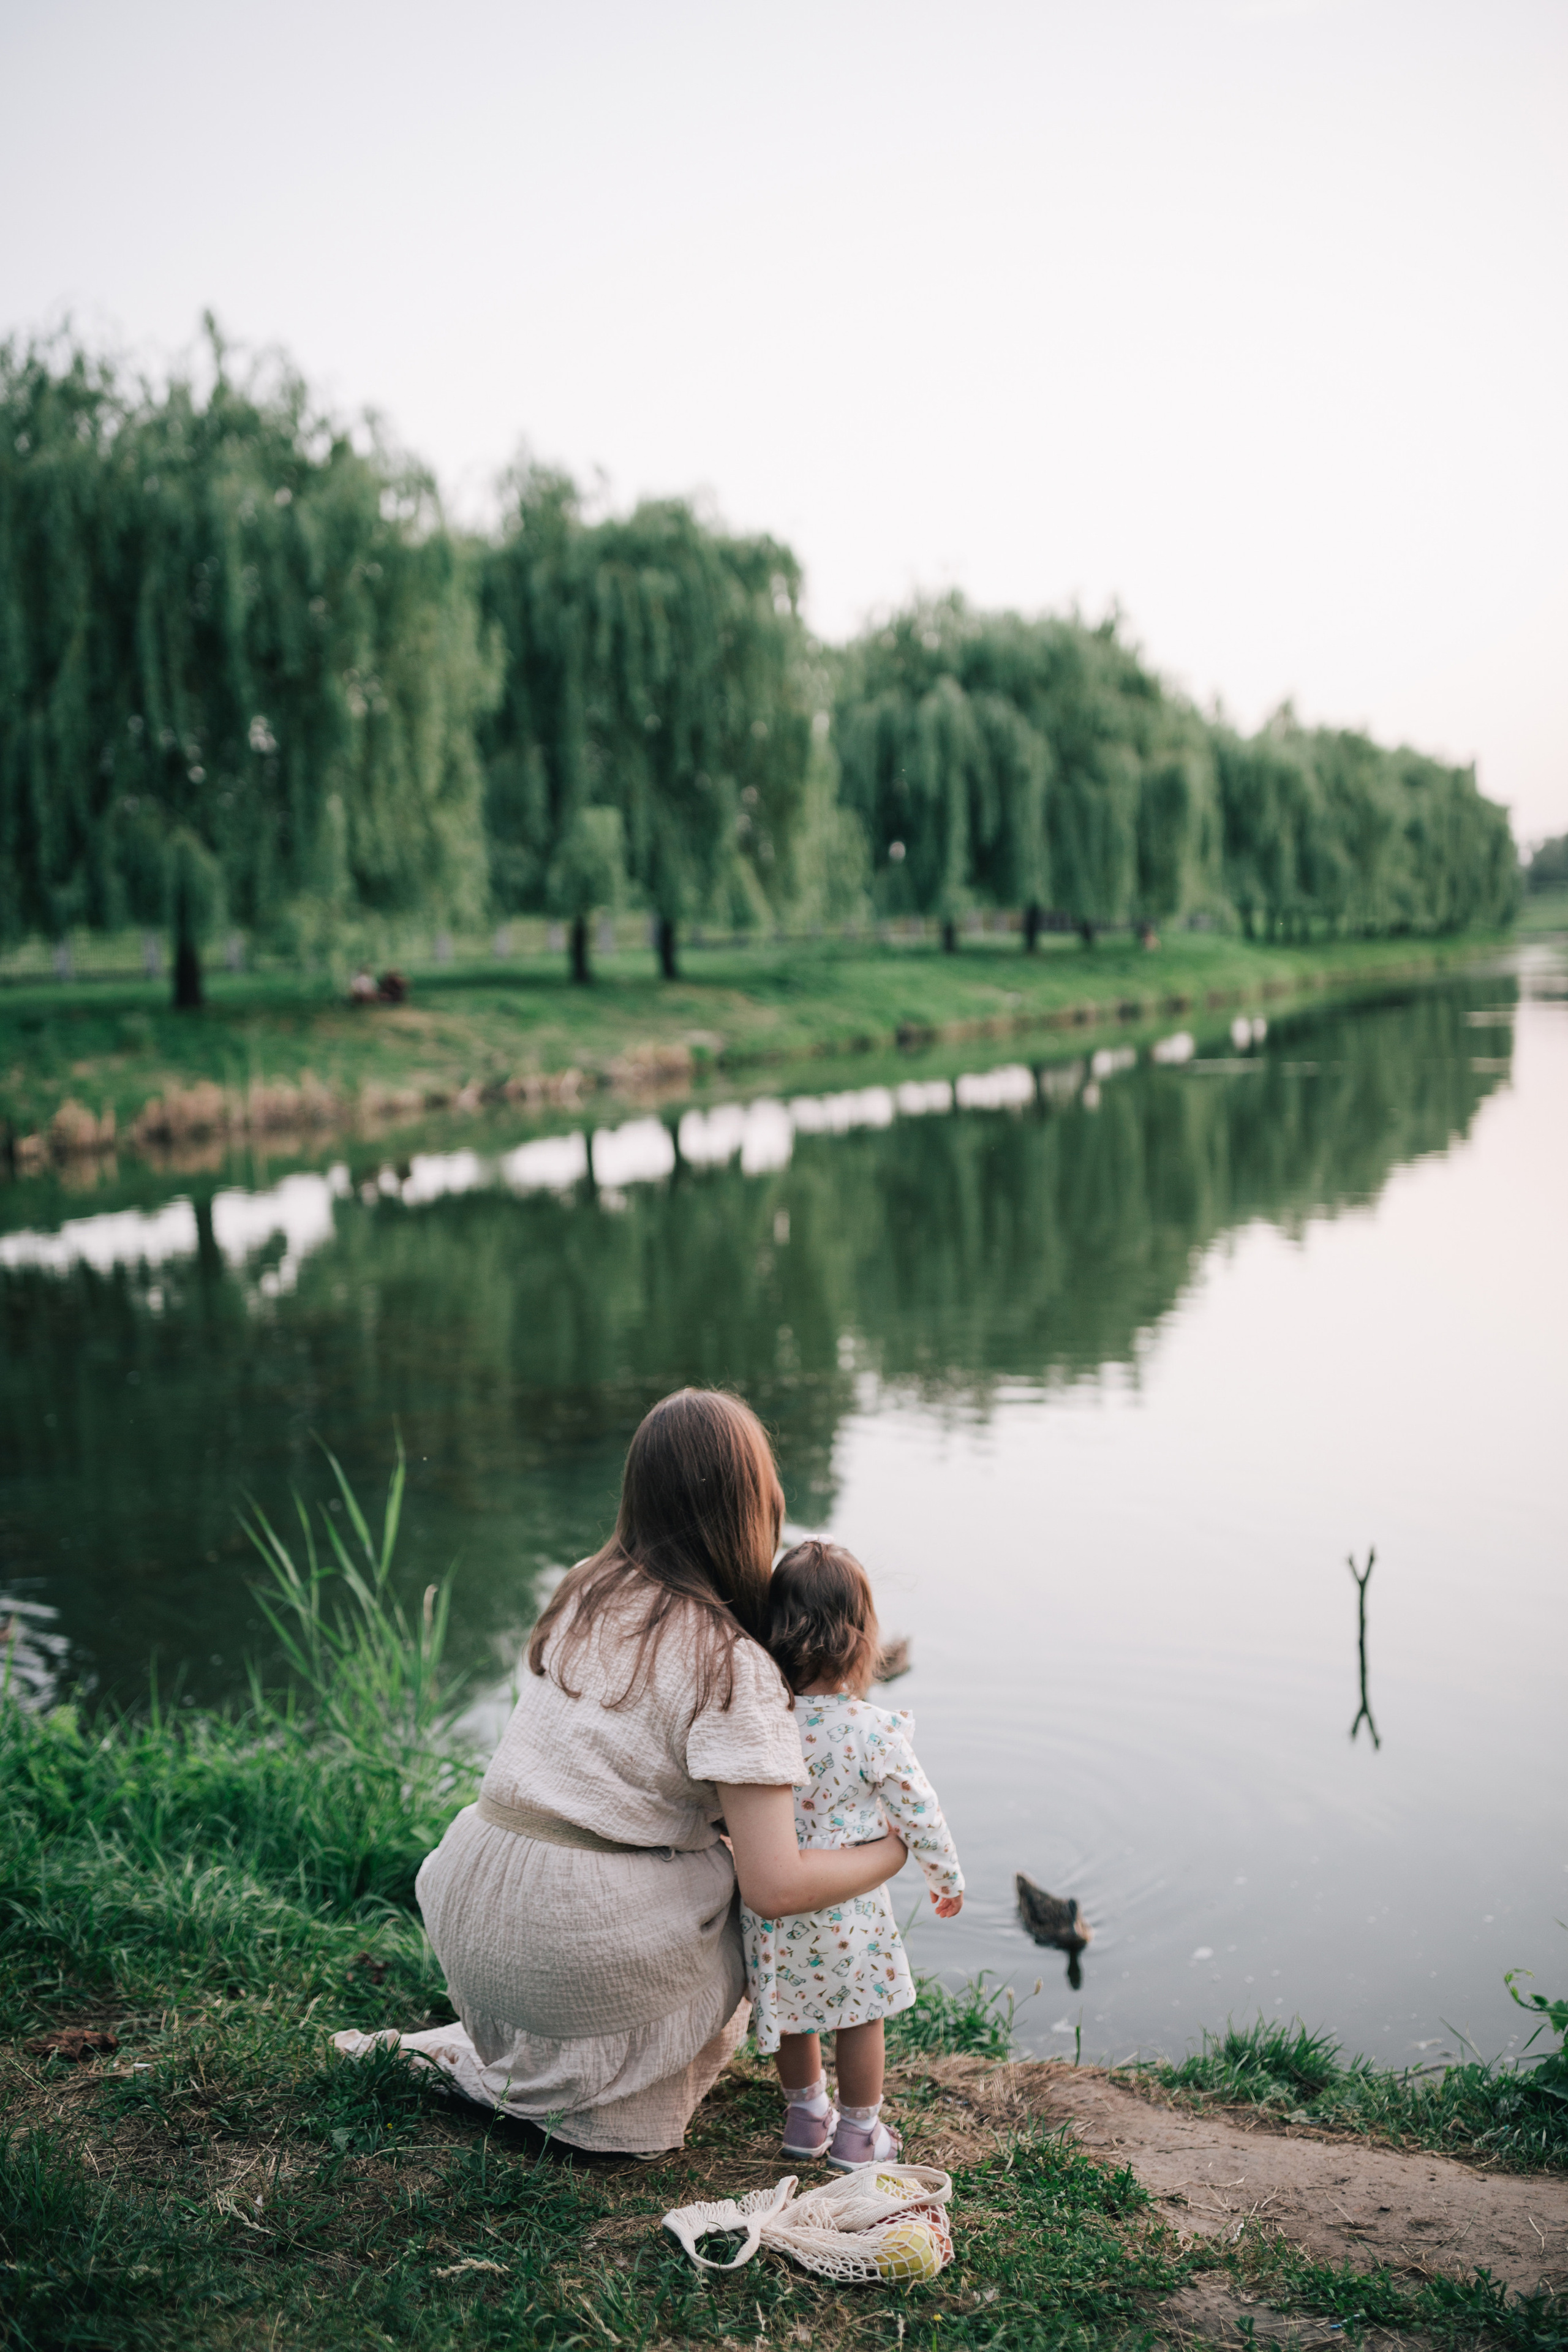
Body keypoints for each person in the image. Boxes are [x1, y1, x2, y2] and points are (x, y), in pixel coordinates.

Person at [337, 1390, 909, 2157]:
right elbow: (778, 1888)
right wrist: (894, 1850)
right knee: (747, 1893)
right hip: (569, 1935)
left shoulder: (584, 1584)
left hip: (473, 1897)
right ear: (753, 1505)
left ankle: (538, 2050)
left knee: (705, 1850)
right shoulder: (729, 1663)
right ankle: (603, 2078)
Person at [743, 1539, 963, 2171]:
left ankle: (806, 2119)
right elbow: (921, 1812)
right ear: (863, 1638)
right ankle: (858, 2135)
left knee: (793, 2013)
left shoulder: (762, 1723)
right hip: (850, 1912)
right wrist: (943, 1878)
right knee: (860, 2017)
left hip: (775, 1906)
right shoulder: (872, 1730)